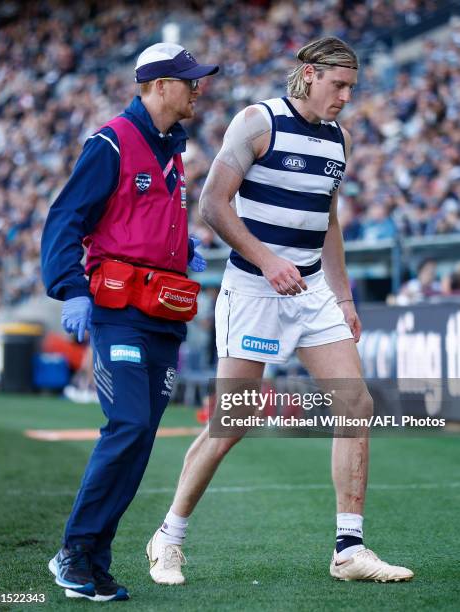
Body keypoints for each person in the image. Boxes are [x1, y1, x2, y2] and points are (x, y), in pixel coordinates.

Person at [147, 37, 414, 584]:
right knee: (235, 421)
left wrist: (342, 295)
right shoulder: (257, 121)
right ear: (310, 74)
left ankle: (349, 548)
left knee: (356, 404)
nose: (345, 97)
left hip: (312, 292)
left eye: (351, 88)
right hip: (253, 290)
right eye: (338, 85)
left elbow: (329, 221)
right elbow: (212, 205)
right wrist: (267, 261)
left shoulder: (339, 139)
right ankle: (168, 537)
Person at [41, 42, 218, 601]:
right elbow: (65, 219)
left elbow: (134, 217)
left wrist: (178, 246)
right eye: (188, 80)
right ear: (158, 85)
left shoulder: (172, 148)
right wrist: (71, 289)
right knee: (129, 428)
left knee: (139, 439)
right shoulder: (111, 141)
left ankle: (91, 561)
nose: (198, 88)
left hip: (163, 314)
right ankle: (73, 552)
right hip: (120, 314)